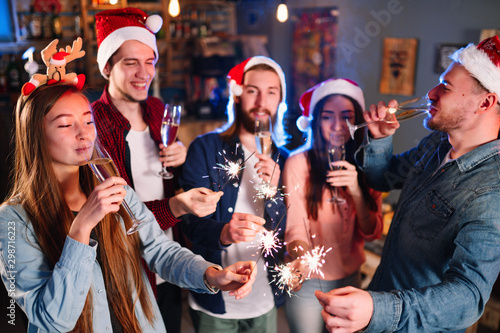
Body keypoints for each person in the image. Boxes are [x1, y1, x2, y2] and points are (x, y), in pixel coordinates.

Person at [0, 81, 256, 333]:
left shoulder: (115, 189)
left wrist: (212, 276)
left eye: (89, 121)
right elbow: (52, 320)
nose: (84, 133)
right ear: (35, 134)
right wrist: (81, 229)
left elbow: (161, 252)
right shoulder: (11, 220)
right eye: (66, 124)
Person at [315, 36, 500, 332]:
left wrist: (379, 310)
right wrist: (379, 137)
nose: (432, 92)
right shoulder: (438, 142)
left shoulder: (492, 190)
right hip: (379, 294)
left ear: (486, 102)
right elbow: (383, 178)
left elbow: (469, 296)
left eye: (446, 86)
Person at [91, 8, 223, 333]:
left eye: (150, 61)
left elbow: (170, 181)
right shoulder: (93, 124)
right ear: (107, 66)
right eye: (130, 62)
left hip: (169, 263)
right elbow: (117, 218)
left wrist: (180, 159)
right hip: (125, 272)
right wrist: (179, 205)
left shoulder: (156, 109)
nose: (144, 73)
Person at [179, 56, 289, 333]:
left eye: (271, 92)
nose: (262, 101)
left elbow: (291, 230)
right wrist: (224, 233)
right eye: (253, 90)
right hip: (214, 297)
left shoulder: (286, 159)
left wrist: (275, 193)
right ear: (239, 95)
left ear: (280, 100)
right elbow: (187, 222)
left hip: (264, 296)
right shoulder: (205, 148)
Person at [283, 78, 383, 333]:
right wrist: (301, 258)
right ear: (316, 121)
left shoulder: (369, 166)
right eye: (328, 117)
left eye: (347, 117)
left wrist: (356, 192)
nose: (338, 126)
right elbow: (295, 229)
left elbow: (373, 232)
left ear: (358, 121)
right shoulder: (298, 165)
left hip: (350, 281)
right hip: (309, 283)